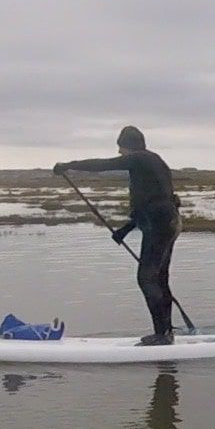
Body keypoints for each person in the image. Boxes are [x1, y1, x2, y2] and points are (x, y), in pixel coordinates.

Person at [53, 126, 181, 345]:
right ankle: (166, 332)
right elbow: (154, 201)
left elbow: (103, 165)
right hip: (167, 222)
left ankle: (162, 335)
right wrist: (126, 229)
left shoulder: (139, 158)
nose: (120, 153)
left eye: (120, 148)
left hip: (159, 224)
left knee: (146, 278)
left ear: (128, 145)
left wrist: (69, 166)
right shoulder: (155, 161)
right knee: (159, 278)